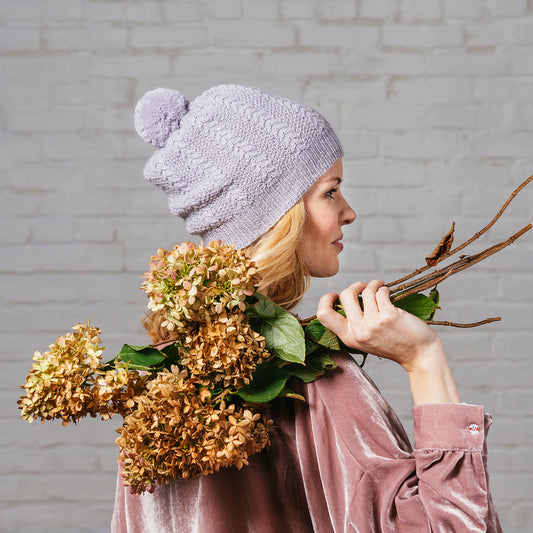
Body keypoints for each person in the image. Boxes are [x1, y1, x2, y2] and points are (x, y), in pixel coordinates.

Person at [112, 85, 502, 532]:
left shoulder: (161, 393)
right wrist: (424, 360)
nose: (349, 211)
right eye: (330, 192)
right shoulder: (311, 376)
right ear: (281, 216)